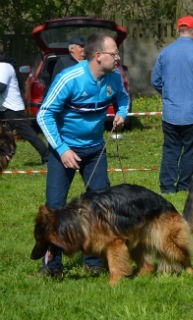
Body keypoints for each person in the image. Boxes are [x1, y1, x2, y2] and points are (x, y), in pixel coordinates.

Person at [36, 33, 129, 277]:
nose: (118, 58)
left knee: (98, 206)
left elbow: (123, 98)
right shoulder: (70, 78)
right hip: (64, 150)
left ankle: (94, 261)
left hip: (96, 149)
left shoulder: (114, 77)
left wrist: (121, 112)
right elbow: (43, 114)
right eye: (114, 53)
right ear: (98, 56)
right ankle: (51, 265)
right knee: (55, 209)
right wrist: (62, 149)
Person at [151, 15, 193, 194]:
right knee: (190, 151)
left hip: (171, 112)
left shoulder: (165, 53)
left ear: (178, 30)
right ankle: (184, 186)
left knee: (170, 150)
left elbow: (155, 80)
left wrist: (169, 95)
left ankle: (167, 187)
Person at [0, 60, 49, 164]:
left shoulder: (4, 66)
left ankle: (47, 156)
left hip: (13, 109)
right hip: (4, 108)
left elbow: (1, 87)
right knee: (5, 134)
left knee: (29, 134)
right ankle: (7, 154)